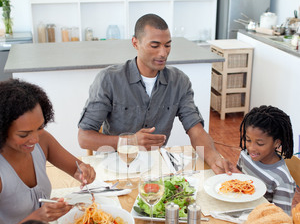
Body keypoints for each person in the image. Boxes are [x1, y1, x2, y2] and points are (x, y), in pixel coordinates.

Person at [78, 13, 238, 175]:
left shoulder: (179, 82)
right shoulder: (109, 79)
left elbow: (196, 130)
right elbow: (84, 138)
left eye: (167, 45)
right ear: (135, 43)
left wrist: (214, 158)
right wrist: (130, 142)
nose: (163, 53)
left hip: (154, 166)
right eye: (155, 46)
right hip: (112, 167)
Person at [0, 78, 96, 224]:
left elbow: (76, 168)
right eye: (24, 134)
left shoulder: (42, 140)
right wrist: (36, 218)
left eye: (39, 127)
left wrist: (83, 172)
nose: (35, 139)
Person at [238, 105, 296, 214]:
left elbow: (281, 218)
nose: (251, 148)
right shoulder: (245, 155)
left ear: (277, 143)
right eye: (248, 140)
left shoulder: (282, 179)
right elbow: (238, 179)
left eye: (260, 143)